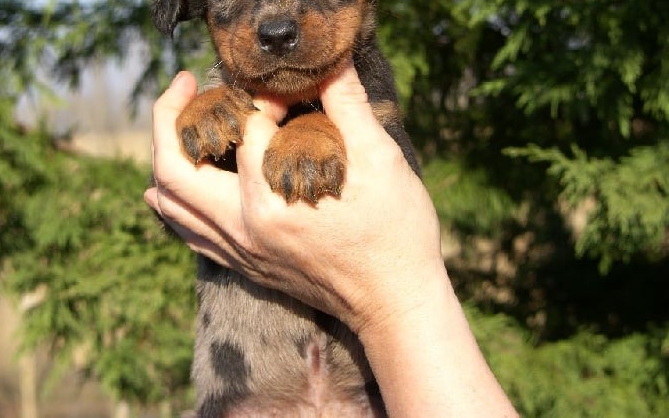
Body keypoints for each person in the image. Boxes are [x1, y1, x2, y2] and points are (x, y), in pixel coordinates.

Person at [144, 60, 518, 417]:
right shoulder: (223, 96)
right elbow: (178, 203)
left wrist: (314, 127)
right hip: (238, 400)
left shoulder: (363, 91)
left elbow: (398, 199)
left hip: (379, 398)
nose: (275, 18)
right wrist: (192, 147)